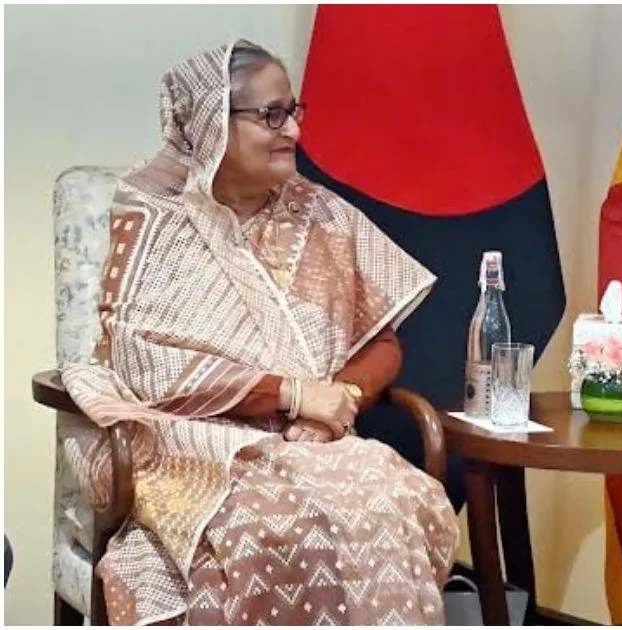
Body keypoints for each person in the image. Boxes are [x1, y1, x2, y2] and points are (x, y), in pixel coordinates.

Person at [60, 40, 460, 625]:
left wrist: (340, 397)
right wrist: (293, 393)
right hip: (184, 441)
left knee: (395, 498)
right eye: (271, 115)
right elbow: (145, 363)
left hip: (311, 442)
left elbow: (381, 341)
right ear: (210, 124)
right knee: (268, 526)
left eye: (294, 111)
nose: (293, 131)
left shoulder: (322, 214)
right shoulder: (154, 215)